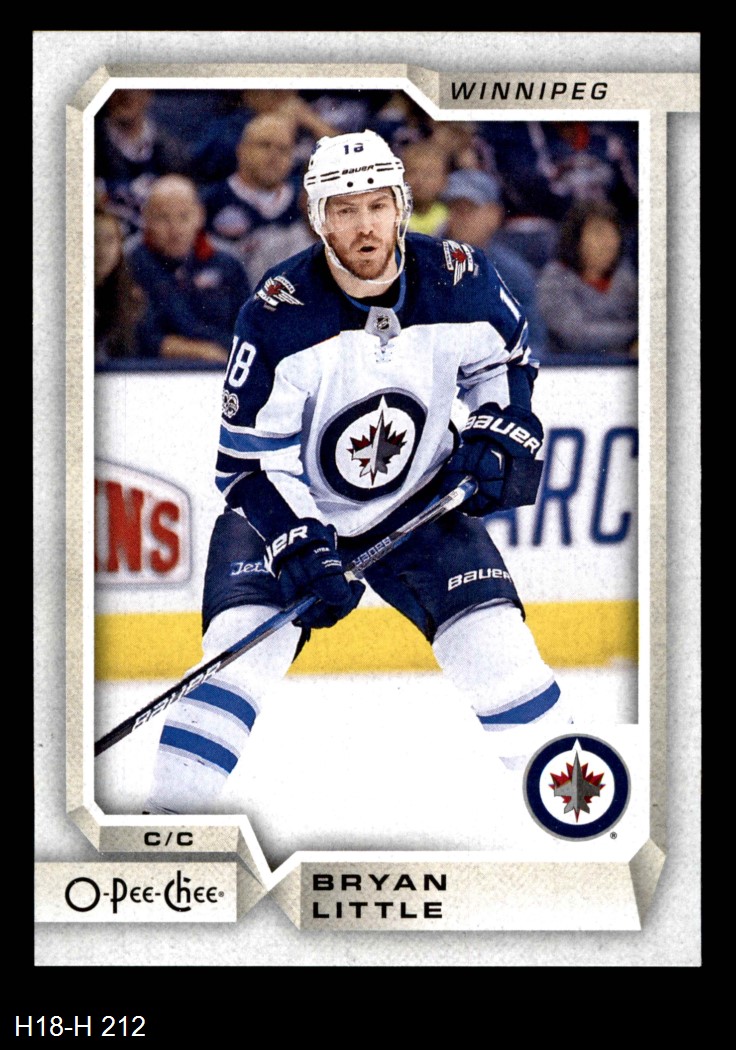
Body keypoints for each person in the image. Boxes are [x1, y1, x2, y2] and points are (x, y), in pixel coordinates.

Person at [144, 130, 564, 815]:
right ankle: (164, 828)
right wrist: (297, 542)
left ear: (401, 208)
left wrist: (499, 423)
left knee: (501, 658)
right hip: (291, 509)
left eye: (376, 205)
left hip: (418, 499)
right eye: (344, 210)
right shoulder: (277, 316)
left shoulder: (460, 277)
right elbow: (247, 465)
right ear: (319, 219)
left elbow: (505, 362)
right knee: (236, 660)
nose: (364, 226)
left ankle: (583, 818)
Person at [128, 175, 250, 363]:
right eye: (163, 218)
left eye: (184, 217)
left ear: (200, 215)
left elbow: (248, 329)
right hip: (154, 372)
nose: (175, 229)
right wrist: (201, 352)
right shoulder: (131, 265)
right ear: (146, 218)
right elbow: (142, 338)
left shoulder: (228, 265)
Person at [441, 169, 549, 357]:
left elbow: (533, 343)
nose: (459, 218)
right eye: (453, 209)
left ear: (494, 214)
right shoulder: (422, 263)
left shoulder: (514, 274)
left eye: (468, 210)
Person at [202, 113, 309, 290]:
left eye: (283, 149)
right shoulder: (212, 201)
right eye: (265, 145)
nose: (274, 155)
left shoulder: (304, 204)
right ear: (241, 150)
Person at [536, 200, 638, 357]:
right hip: (572, 367)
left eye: (614, 233)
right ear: (576, 238)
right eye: (599, 233)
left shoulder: (626, 279)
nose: (608, 242)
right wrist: (635, 335)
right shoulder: (555, 279)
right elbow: (575, 334)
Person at [94, 209, 150, 363]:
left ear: (120, 245)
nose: (101, 249)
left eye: (109, 240)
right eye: (93, 240)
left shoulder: (131, 297)